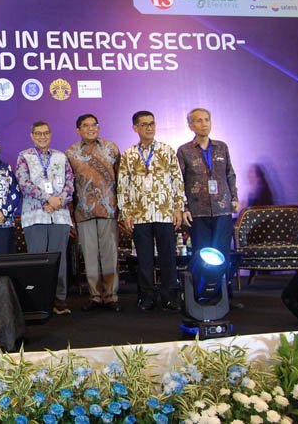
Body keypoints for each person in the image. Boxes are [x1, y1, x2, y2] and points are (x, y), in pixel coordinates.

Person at [117, 110, 186, 313]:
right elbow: (122, 185)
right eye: (144, 124)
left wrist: (178, 208)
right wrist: (126, 213)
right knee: (144, 260)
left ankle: (169, 297)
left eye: (152, 124)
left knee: (168, 257)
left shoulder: (166, 150)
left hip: (164, 212)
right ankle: (146, 297)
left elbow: (177, 180)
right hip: (139, 215)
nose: (149, 128)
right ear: (135, 128)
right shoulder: (129, 154)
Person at [16, 121, 74, 315]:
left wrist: (59, 201)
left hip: (60, 216)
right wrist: (48, 199)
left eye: (46, 133)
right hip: (35, 216)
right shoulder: (24, 157)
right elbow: (24, 184)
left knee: (59, 260)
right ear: (32, 136)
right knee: (38, 260)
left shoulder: (61, 157)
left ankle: (59, 299)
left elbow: (70, 183)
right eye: (38, 133)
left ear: (50, 134)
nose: (42, 136)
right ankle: (38, 301)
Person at [66, 114, 122, 313]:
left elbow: (121, 180)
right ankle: (95, 296)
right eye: (85, 126)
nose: (90, 129)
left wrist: (122, 209)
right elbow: (68, 185)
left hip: (109, 209)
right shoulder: (71, 153)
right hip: (83, 211)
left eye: (94, 125)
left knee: (110, 255)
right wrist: (70, 215)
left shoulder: (111, 148)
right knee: (89, 256)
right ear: (78, 130)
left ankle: (111, 296)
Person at [177, 108, 239, 257]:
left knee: (222, 253)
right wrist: (184, 207)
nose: (204, 124)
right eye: (199, 121)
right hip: (197, 211)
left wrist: (234, 197)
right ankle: (201, 274)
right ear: (191, 126)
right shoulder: (184, 151)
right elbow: (180, 181)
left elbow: (230, 174)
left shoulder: (221, 147)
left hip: (222, 208)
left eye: (207, 120)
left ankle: (223, 274)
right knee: (202, 254)